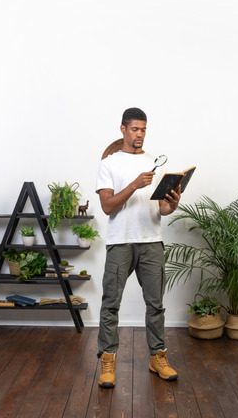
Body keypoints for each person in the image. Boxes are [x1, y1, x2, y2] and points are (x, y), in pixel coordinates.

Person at [96, 107, 181, 388]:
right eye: (135, 129)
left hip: (151, 242)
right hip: (120, 242)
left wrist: (173, 202)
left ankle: (157, 357)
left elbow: (162, 209)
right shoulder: (109, 164)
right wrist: (134, 184)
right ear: (123, 129)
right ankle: (108, 359)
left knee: (155, 305)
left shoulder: (152, 162)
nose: (140, 135)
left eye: (143, 129)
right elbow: (107, 206)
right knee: (111, 305)